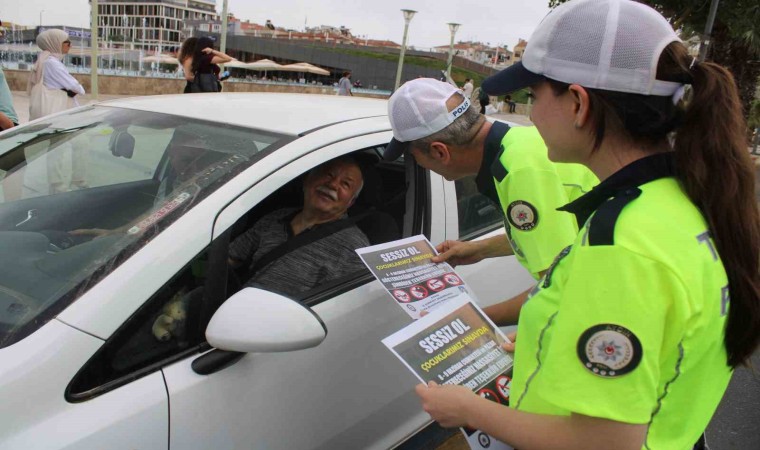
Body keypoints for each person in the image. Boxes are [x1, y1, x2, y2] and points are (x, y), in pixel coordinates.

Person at [414, 1, 760, 449]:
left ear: (578, 103)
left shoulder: (622, 243)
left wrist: (466, 409)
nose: (531, 115)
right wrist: (548, 339)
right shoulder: (677, 202)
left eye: (534, 97)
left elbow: (603, 442)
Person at [384, 78, 597, 326]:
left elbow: (561, 293)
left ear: (440, 151)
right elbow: (554, 232)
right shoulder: (519, 144)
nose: (418, 164)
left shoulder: (517, 173)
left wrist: (467, 320)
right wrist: (480, 249)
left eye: (412, 156)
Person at [228, 156, 370, 297]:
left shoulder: (355, 247)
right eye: (328, 175)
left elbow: (350, 304)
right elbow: (230, 259)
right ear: (307, 180)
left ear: (351, 202)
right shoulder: (277, 217)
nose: (332, 185)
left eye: (345, 184)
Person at [27, 29, 88, 194]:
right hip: (60, 114)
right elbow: (78, 88)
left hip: (58, 113)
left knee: (67, 146)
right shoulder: (52, 63)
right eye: (66, 42)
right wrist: (73, 88)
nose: (70, 45)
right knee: (62, 148)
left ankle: (67, 183)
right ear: (55, 43)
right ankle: (62, 186)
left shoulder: (45, 61)